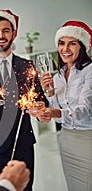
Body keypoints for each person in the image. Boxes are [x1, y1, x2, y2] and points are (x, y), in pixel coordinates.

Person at [0, 9, 48, 191]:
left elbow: (41, 99)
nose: (1, 35)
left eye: (6, 30)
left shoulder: (27, 65)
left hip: (23, 142)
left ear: (14, 33)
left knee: (26, 188)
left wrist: (40, 108)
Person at [28, 20, 92, 191]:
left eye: (72, 44)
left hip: (87, 139)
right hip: (66, 138)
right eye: (62, 43)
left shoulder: (90, 71)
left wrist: (53, 112)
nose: (65, 49)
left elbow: (85, 110)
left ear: (82, 46)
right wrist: (49, 93)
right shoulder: (58, 77)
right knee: (73, 186)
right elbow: (57, 113)